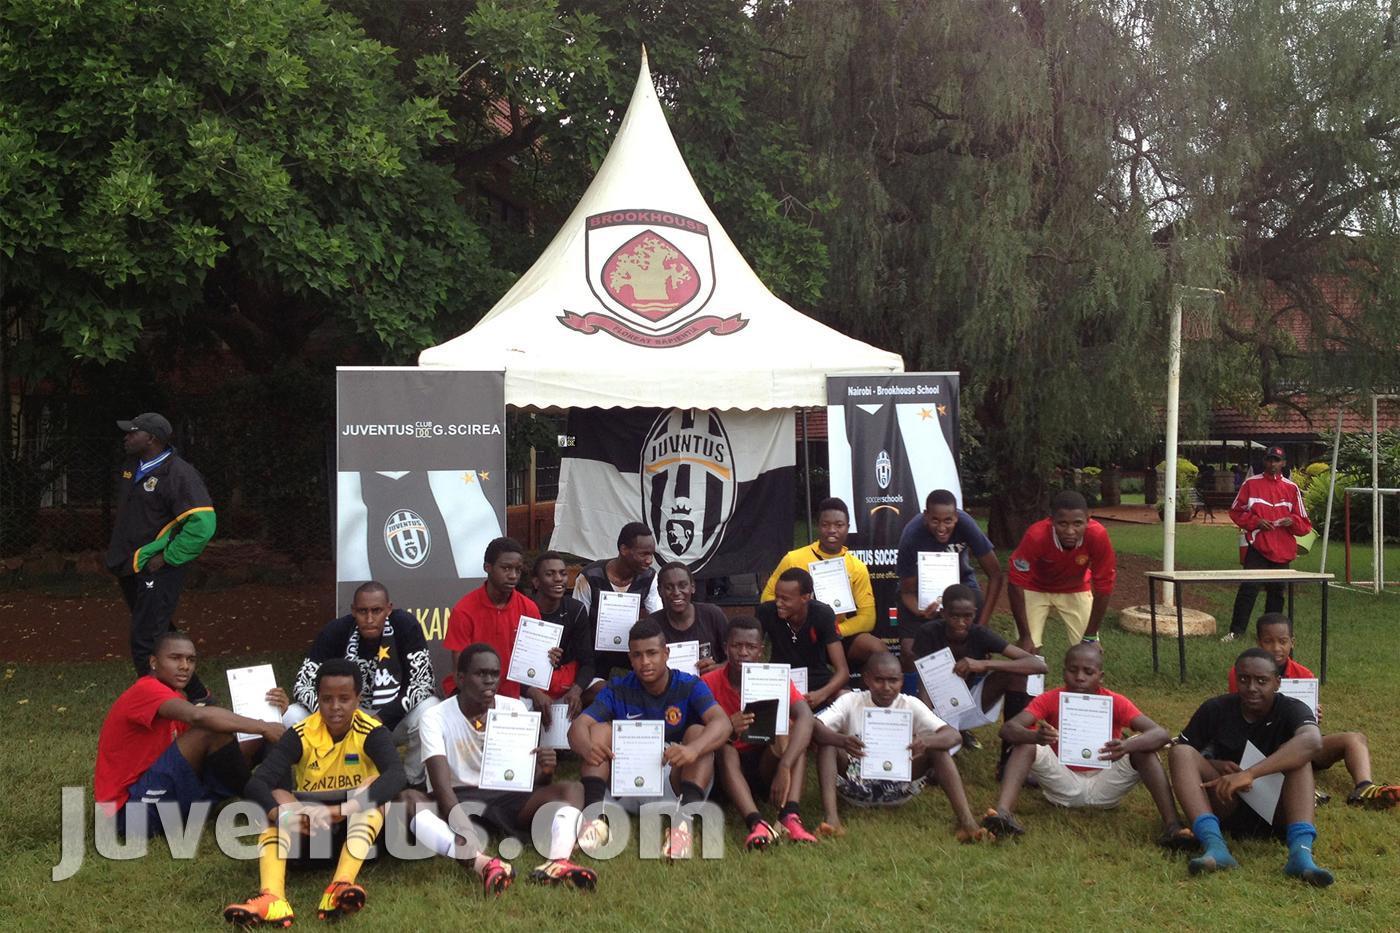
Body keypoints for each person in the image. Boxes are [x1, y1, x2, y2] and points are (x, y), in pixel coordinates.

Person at [224, 660, 409, 925]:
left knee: (373, 788)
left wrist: (343, 809)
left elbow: (396, 775)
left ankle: (341, 885)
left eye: (344, 698)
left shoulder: (372, 732)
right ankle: (273, 898)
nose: (335, 707)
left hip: (359, 836)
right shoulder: (301, 733)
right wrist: (284, 814)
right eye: (327, 699)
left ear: (358, 699)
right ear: (317, 699)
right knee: (276, 797)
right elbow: (257, 783)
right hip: (310, 833)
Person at [405, 644, 597, 894]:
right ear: (460, 679)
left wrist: (545, 771)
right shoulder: (435, 717)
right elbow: (441, 787)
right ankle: (483, 864)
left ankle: (557, 862)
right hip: (457, 798)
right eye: (480, 674)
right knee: (406, 800)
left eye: (494, 674)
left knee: (572, 788)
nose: (489, 681)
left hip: (505, 797)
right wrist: (462, 827)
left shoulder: (514, 708)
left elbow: (529, 781)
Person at [981, 643, 1190, 848]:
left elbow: (1160, 734)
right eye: (1073, 670)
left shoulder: (1115, 701)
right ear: (1064, 672)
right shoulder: (1050, 698)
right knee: (1025, 744)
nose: (1080, 677)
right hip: (1062, 784)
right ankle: (1003, 814)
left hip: (1106, 784)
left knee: (1144, 749)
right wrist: (1035, 737)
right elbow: (1008, 729)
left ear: (1101, 676)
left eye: (1088, 672)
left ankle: (1173, 825)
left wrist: (1126, 746)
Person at [567, 619, 731, 861]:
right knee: (599, 730)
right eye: (637, 655)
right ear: (630, 658)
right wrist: (588, 748)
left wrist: (692, 750)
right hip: (627, 783)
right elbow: (578, 726)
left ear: (666, 653)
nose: (645, 662)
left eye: (652, 653)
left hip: (674, 783)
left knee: (698, 733)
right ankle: (594, 821)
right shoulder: (618, 688)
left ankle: (682, 827)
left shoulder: (688, 685)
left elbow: (722, 723)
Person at [95, 632, 285, 838]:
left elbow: (222, 749)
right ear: (153, 662)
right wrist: (263, 725)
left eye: (190, 660)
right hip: (128, 814)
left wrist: (272, 714)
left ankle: (285, 803)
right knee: (212, 729)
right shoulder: (146, 689)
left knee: (253, 739)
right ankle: (269, 809)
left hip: (162, 798)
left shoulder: (176, 697)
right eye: (175, 658)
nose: (185, 666)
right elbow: (199, 716)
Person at [1168, 648, 1333, 886]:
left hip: (1278, 811)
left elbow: (1313, 741)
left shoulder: (1292, 708)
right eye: (1244, 679)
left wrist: (1250, 774)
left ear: (1277, 683)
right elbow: (1185, 751)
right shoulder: (1215, 708)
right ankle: (1215, 846)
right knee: (1181, 752)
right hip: (1227, 801)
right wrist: (1215, 765)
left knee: (1300, 757)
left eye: (1262, 681)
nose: (1251, 687)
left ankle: (1301, 854)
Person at [812, 652, 988, 841]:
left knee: (939, 750)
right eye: (879, 680)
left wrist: (926, 742)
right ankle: (832, 821)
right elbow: (815, 726)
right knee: (827, 744)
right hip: (854, 785)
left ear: (902, 680)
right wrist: (841, 740)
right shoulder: (850, 701)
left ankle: (967, 823)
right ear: (867, 679)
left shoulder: (910, 704)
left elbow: (953, 736)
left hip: (900, 788)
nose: (886, 688)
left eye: (893, 680)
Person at [1227, 613, 1398, 808]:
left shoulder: (1304, 675)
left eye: (1282, 641)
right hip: (1263, 748)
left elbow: (1307, 730)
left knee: (1354, 738)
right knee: (1287, 748)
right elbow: (1241, 716)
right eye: (1268, 641)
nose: (1276, 648)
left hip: (1303, 745)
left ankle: (1365, 787)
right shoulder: (1241, 673)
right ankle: (1304, 790)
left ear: (1292, 642)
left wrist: (1312, 717)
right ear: (1259, 643)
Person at [105, 412, 217, 701]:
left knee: (146, 642)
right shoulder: (132, 467)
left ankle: (158, 704)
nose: (126, 436)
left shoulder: (179, 474)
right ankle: (200, 698)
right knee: (161, 632)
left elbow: (203, 525)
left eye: (133, 432)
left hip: (158, 568)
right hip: (131, 565)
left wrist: (168, 557)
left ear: (151, 439)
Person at [285, 582, 436, 784]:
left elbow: (423, 683)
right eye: (363, 611)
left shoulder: (405, 626)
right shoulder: (335, 631)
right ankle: (312, 781)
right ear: (353, 611)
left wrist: (380, 719)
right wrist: (340, 716)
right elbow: (302, 685)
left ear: (389, 609)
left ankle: (411, 782)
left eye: (377, 611)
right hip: (341, 716)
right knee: (292, 715)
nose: (370, 619)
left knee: (430, 710)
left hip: (389, 717)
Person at [700, 616, 818, 849]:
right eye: (736, 646)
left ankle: (790, 816)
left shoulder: (774, 679)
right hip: (728, 772)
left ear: (760, 652)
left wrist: (784, 765)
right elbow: (699, 732)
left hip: (767, 763)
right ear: (725, 647)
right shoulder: (707, 682)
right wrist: (728, 728)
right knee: (726, 748)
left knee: (793, 733)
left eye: (751, 647)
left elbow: (806, 716)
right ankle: (756, 823)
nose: (743, 652)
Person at [901, 584, 1046, 763]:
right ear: (944, 613)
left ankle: (1009, 759)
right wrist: (927, 719)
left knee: (1014, 675)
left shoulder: (980, 634)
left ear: (975, 613)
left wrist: (983, 664)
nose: (961, 622)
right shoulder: (929, 632)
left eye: (967, 616)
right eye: (955, 616)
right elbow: (923, 681)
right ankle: (945, 740)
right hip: (936, 705)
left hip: (972, 700)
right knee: (932, 766)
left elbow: (1037, 665)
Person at [762, 498, 885, 667]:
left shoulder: (856, 567)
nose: (832, 530)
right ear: (818, 526)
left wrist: (834, 630)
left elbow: (868, 618)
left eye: (839, 525)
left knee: (877, 649)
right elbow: (767, 599)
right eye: (825, 524)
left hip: (835, 633)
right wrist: (795, 613)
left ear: (848, 527)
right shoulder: (794, 558)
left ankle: (864, 692)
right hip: (797, 632)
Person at [1007, 490, 1117, 652]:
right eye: (1063, 524)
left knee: (1088, 651)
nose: (1070, 531)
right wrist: (1025, 636)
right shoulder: (1036, 536)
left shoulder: (1097, 535)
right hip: (1035, 587)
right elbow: (1015, 582)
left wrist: (1091, 636)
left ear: (1088, 521)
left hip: (1076, 587)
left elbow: (1104, 586)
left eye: (1078, 524)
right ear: (1051, 521)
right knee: (1027, 651)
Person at [1223, 445, 1312, 641]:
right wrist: (1255, 522)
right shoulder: (1251, 484)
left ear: (1284, 463)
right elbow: (1236, 511)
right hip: (1258, 546)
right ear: (1264, 461)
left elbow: (1305, 524)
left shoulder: (1291, 488)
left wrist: (1292, 521)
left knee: (1277, 593)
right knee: (1248, 589)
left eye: (1277, 460)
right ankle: (1236, 631)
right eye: (1270, 460)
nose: (1273, 464)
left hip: (1283, 549)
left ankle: (1271, 635)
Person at [572, 522, 663, 701]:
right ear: (624, 549)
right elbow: (577, 623)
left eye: (651, 554)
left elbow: (657, 618)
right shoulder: (590, 577)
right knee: (605, 694)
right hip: (593, 658)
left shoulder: (649, 577)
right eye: (643, 554)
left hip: (631, 653)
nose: (649, 560)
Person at [442, 537, 540, 702]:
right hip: (470, 695)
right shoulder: (464, 610)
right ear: (487, 567)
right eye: (506, 568)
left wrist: (547, 658)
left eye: (518, 569)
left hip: (513, 697)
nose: (513, 576)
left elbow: (533, 664)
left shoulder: (529, 608)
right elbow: (461, 672)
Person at [896, 489, 1004, 628]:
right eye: (935, 520)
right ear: (926, 516)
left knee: (968, 642)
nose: (941, 528)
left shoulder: (966, 525)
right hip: (920, 591)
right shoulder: (911, 535)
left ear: (956, 517)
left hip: (962, 582)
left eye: (948, 521)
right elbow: (907, 592)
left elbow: (995, 575)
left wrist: (981, 627)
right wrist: (921, 612)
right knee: (910, 649)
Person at [756, 568, 850, 712]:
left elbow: (842, 671)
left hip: (816, 679)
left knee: (846, 697)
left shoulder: (822, 614)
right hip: (780, 679)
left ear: (805, 597)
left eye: (785, 599)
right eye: (777, 597)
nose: (778, 603)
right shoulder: (766, 612)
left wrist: (821, 694)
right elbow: (750, 649)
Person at [530, 551, 593, 727]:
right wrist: (533, 692)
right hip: (532, 684)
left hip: (566, 682)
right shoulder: (524, 610)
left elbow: (588, 662)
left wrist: (576, 690)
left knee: (602, 690)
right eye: (550, 574)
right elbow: (515, 667)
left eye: (563, 573)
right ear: (536, 581)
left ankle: (575, 732)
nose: (559, 579)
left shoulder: (576, 610)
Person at [647, 562, 729, 674]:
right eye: (668, 587)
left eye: (682, 585)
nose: (676, 592)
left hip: (709, 686)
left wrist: (719, 669)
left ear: (693, 587)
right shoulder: (652, 625)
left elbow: (736, 659)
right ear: (660, 591)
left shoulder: (712, 615)